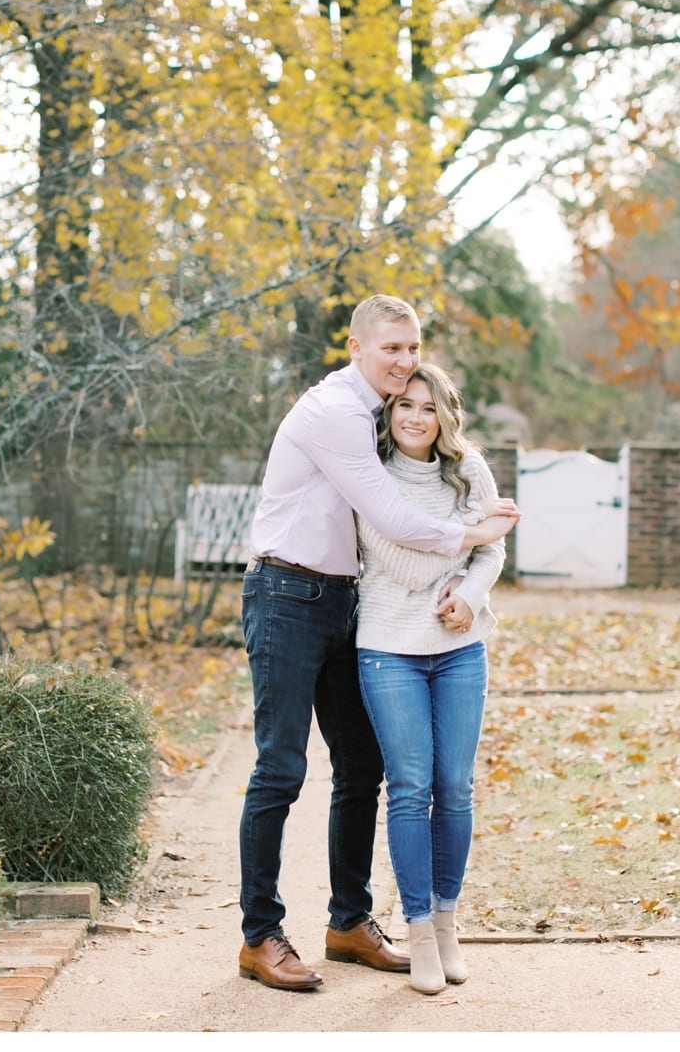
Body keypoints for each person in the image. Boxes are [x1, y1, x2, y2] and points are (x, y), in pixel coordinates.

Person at [236, 294, 520, 992]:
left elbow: (426, 483)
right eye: (391, 348)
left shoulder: (383, 417)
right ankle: (259, 934)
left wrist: (475, 571)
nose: (404, 361)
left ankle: (349, 922)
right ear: (357, 346)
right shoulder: (337, 412)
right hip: (286, 593)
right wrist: (478, 535)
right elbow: (391, 516)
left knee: (360, 767)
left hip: (344, 600)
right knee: (280, 768)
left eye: (412, 346)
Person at [354, 362, 507, 994]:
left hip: (459, 646)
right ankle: (415, 932)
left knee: (456, 787)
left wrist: (470, 594)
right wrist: (473, 533)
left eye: (427, 407)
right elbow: (397, 562)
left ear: (446, 414)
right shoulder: (372, 472)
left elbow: (493, 552)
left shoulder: (468, 467)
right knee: (410, 788)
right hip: (389, 647)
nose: (414, 417)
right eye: (404, 406)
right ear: (389, 412)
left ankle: (447, 925)